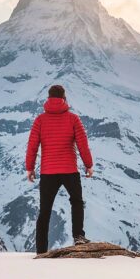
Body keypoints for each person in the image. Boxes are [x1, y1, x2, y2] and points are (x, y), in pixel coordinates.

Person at [26, 84, 94, 254]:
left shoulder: (40, 120)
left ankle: (41, 249)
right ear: (64, 98)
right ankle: (78, 236)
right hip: (69, 170)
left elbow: (32, 146)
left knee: (45, 210)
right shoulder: (73, 119)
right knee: (76, 201)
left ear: (48, 98)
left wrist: (30, 168)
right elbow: (82, 144)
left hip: (48, 172)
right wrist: (88, 165)